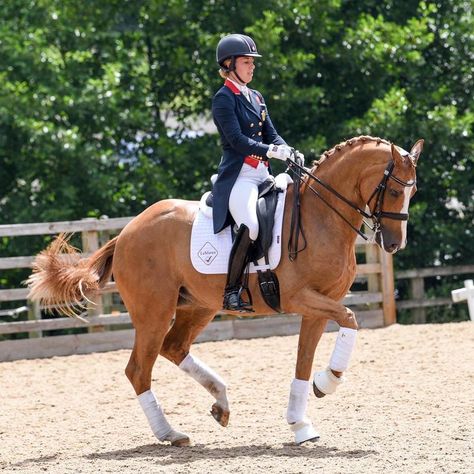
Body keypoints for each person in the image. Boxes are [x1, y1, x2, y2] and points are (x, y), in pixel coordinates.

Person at [212, 33, 297, 312]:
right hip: (240, 177)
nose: (252, 67)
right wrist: (270, 151)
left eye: (252, 62)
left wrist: (288, 150)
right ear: (229, 64)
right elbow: (236, 140)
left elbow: (272, 134)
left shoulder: (257, 97)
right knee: (250, 225)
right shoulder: (224, 99)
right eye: (247, 62)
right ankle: (231, 291)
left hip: (264, 175)